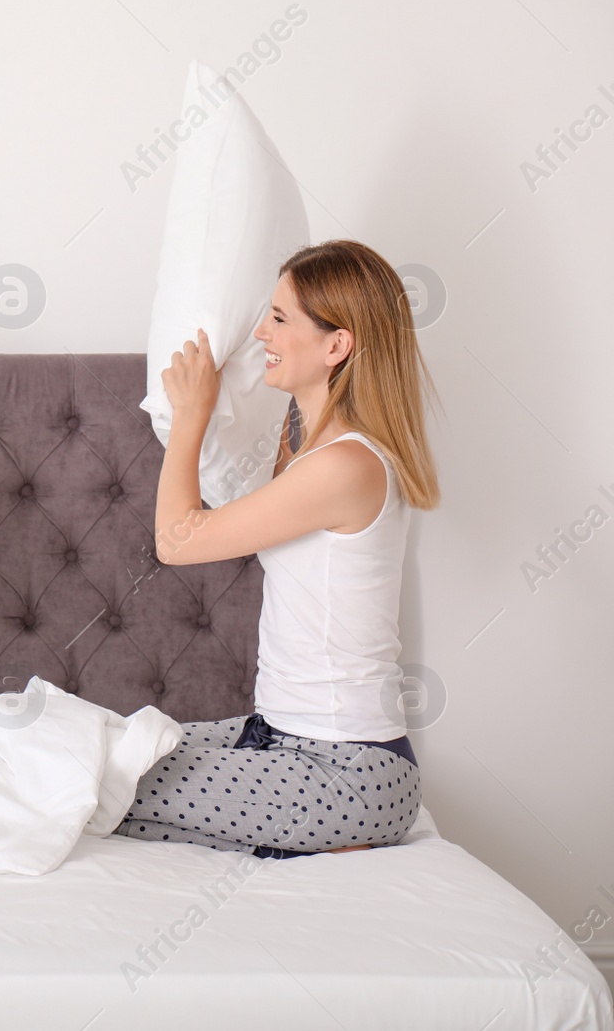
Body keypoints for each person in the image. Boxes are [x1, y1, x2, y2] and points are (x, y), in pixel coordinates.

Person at [114, 240, 441, 858]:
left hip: (349, 771)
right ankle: (299, 842)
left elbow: (176, 543)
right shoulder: (306, 442)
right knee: (108, 748)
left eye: (280, 318)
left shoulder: (345, 466)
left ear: (337, 346)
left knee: (98, 785)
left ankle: (329, 838)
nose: (262, 329)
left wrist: (191, 417)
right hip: (276, 736)